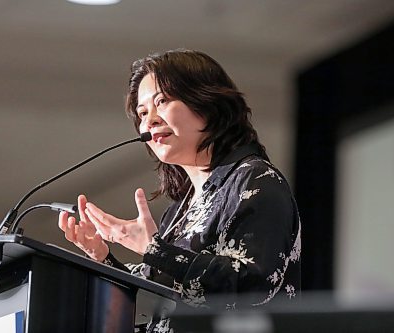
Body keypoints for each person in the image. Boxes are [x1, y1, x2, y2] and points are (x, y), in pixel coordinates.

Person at [58, 49, 301, 332]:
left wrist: (154, 249)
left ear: (206, 101)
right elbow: (153, 304)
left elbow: (252, 288)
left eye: (162, 101)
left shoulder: (256, 179)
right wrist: (103, 258)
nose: (149, 121)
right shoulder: (179, 210)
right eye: (142, 113)